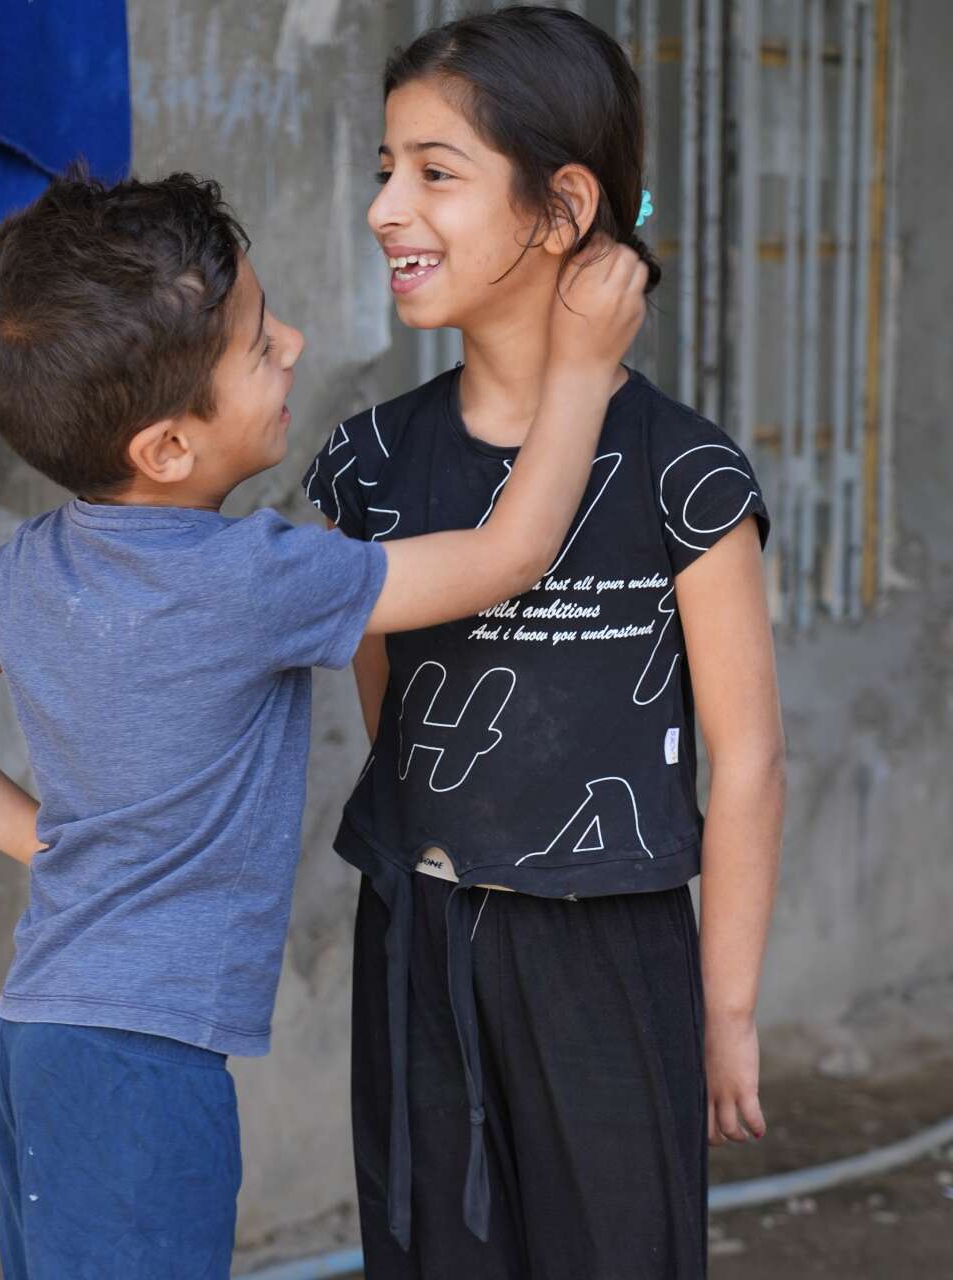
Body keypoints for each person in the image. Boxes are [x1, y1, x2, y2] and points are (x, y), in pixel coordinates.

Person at [0, 163, 646, 1280]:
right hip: (142, 1071)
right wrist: (583, 367)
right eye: (260, 343)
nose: (296, 344)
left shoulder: (31, 566)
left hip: (39, 1036)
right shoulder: (250, 577)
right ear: (167, 446)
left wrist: (51, 840)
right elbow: (506, 558)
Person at [302, 8, 786, 1278]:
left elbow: (745, 759)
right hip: (418, 935)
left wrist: (723, 1007)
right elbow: (392, 717)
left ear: (562, 207)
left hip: (610, 953)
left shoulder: (683, 472)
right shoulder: (368, 465)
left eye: (433, 171)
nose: (385, 208)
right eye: (383, 170)